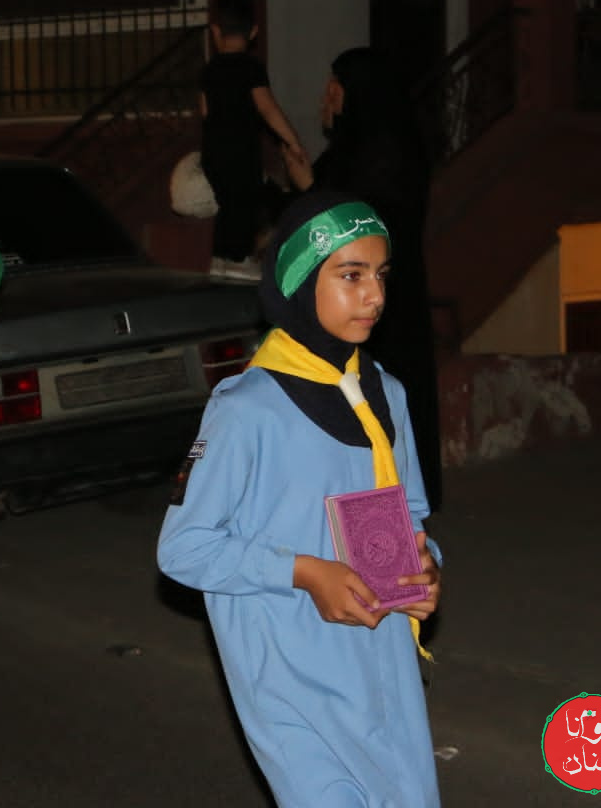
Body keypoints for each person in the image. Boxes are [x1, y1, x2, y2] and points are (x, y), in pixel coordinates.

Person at [157, 191, 443, 807]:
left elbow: (412, 511)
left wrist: (425, 565)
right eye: (351, 275)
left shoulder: (387, 392)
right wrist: (306, 572)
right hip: (292, 676)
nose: (375, 296)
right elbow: (184, 547)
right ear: (300, 281)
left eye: (381, 275)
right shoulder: (247, 409)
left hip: (384, 667)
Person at [284, 46, 443, 512]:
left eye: (334, 88)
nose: (326, 98)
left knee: (374, 399)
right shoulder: (360, 149)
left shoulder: (381, 154)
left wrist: (308, 188)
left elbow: (353, 225)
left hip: (378, 305)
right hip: (376, 303)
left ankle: (385, 507)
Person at [199, 0, 306, 281]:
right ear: (254, 32)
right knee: (244, 203)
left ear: (215, 31)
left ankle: (219, 258)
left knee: (227, 203)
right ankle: (239, 259)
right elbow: (267, 108)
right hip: (241, 150)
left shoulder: (209, 70)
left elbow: (205, 111)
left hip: (214, 151)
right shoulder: (251, 68)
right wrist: (292, 140)